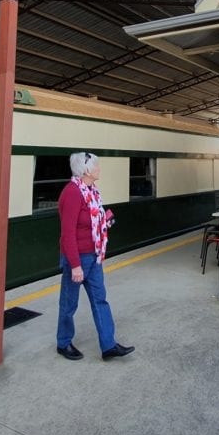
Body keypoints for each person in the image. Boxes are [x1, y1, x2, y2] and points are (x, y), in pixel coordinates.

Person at [55, 151, 134, 361]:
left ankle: (108, 346)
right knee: (69, 303)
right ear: (86, 170)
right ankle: (63, 343)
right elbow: (68, 233)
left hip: (94, 255)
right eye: (96, 166)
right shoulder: (72, 193)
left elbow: (90, 222)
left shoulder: (92, 191)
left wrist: (104, 221)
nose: (99, 169)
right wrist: (75, 265)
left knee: (100, 300)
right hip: (77, 258)